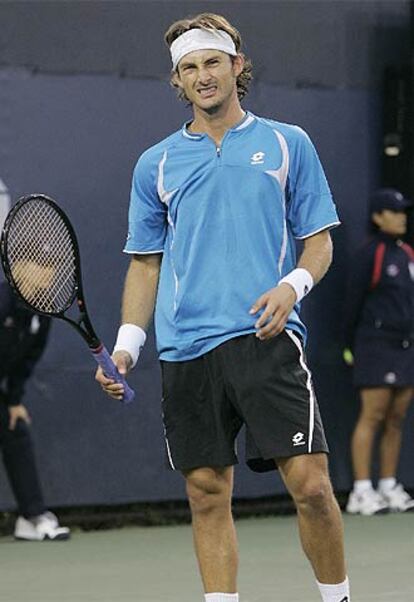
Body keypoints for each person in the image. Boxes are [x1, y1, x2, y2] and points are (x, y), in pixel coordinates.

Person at [96, 13, 350, 602]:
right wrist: (129, 346)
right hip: (187, 347)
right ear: (178, 83)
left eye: (212, 62)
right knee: (207, 492)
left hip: (267, 337)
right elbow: (146, 262)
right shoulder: (154, 164)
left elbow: (319, 242)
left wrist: (291, 288)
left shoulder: (289, 143)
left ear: (237, 67)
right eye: (189, 68)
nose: (202, 76)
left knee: (312, 486)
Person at [344, 188, 414, 516]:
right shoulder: (369, 254)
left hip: (404, 345)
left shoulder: (407, 254)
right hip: (374, 344)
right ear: (378, 217)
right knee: (372, 415)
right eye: (394, 211)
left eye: (402, 211)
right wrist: (349, 347)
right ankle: (361, 490)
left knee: (396, 417)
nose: (401, 216)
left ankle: (387, 484)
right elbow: (352, 303)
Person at [0, 280, 70, 541]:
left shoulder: (43, 310)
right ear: (17, 268)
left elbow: (28, 359)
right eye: (39, 266)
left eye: (51, 268)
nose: (47, 275)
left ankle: (31, 517)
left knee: (15, 428)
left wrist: (14, 400)